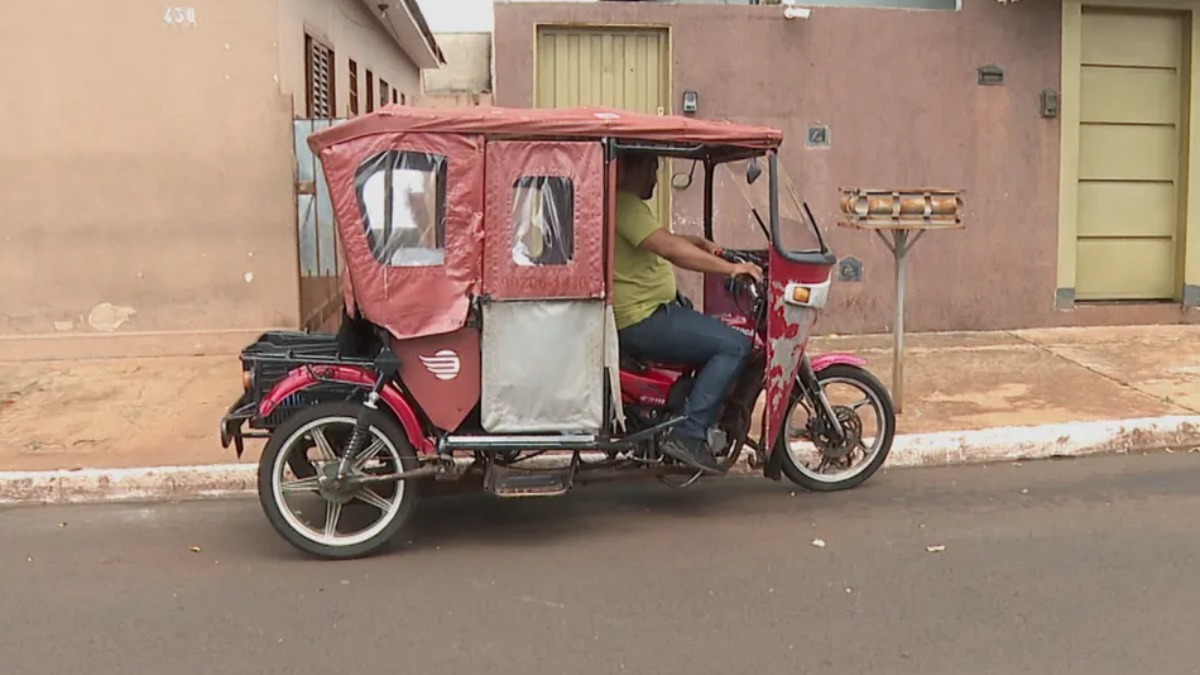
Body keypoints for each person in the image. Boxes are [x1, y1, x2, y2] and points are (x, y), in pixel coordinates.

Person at [613, 152, 763, 474]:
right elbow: (669, 250)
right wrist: (731, 269)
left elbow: (663, 239)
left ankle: (695, 417)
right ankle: (690, 432)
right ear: (638, 166)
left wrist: (701, 243)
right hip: (643, 318)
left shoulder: (628, 208)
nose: (655, 178)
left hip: (650, 313)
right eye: (653, 168)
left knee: (718, 335)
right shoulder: (624, 204)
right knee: (734, 344)